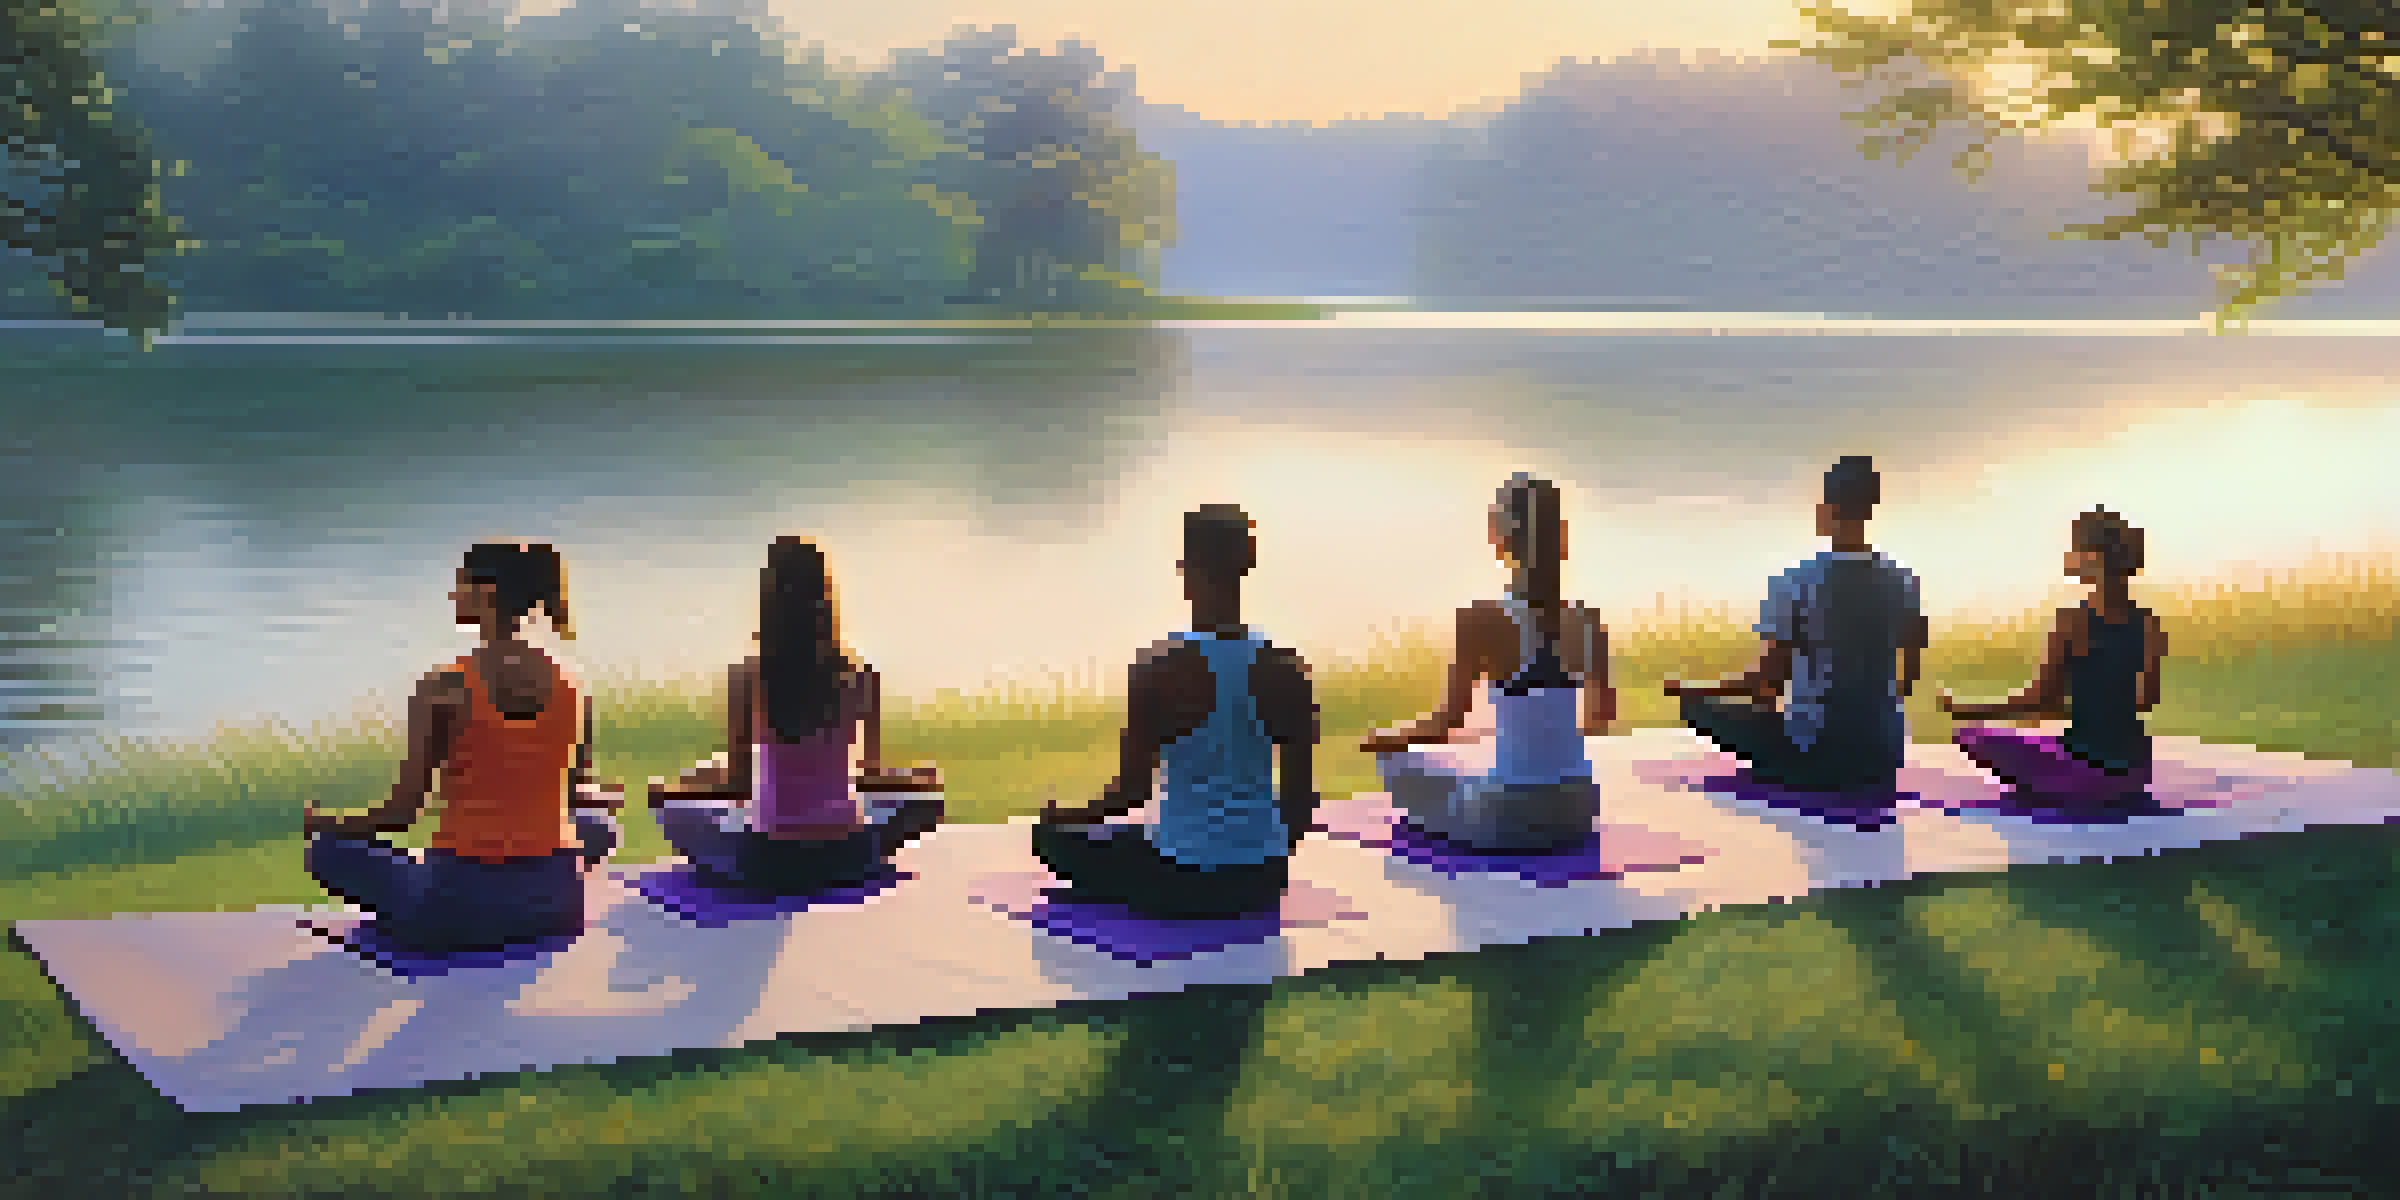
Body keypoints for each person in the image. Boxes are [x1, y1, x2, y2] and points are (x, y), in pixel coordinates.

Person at [303, 542, 622, 953]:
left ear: (485, 593)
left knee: (328, 851)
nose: (454, 596)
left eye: (460, 585)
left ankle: (430, 887)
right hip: (557, 906)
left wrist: (326, 822)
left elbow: (402, 815)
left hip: (456, 910)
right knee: (596, 823)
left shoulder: (445, 685)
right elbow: (576, 792)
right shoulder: (572, 685)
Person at [1032, 504, 1319, 920]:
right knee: (1133, 838)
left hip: (1176, 878)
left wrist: (1064, 816)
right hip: (1261, 879)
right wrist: (1262, 858)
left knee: (1050, 839)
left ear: (1186, 570)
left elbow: (1131, 793)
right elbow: (1300, 802)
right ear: (1247, 565)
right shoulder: (1288, 668)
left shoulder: (1158, 666)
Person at [647, 536, 944, 894]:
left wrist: (674, 791)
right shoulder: (860, 674)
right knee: (928, 802)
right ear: (826, 598)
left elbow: (739, 785)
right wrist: (914, 780)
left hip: (769, 861)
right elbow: (869, 773)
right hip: (848, 856)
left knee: (671, 808)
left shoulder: (749, 676)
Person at [1358, 474, 1615, 850]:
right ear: (1560, 535)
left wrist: (1389, 739)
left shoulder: (1480, 618)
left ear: (1501, 540)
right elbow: (1600, 718)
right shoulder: (1588, 621)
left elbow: (1446, 723)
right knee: (1464, 776)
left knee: (1401, 765)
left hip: (1509, 815)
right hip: (1578, 811)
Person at [1664, 455, 1928, 793]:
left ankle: (1783, 761)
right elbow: (1908, 675)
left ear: (1825, 510)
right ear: (1870, 509)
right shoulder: (1903, 581)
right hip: (1882, 753)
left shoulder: (1794, 580)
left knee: (1698, 709)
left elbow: (1766, 683)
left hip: (1815, 754)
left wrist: (1692, 689)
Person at [1939, 508, 2167, 803]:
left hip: (2086, 773)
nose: (2068, 557)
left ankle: (2055, 786)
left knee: (1970, 735)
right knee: (2046, 741)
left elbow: (2040, 698)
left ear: (2093, 558)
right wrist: (2092, 708)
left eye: (2074, 549)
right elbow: (2145, 700)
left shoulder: (2071, 620)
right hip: (2134, 772)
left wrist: (1967, 710)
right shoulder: (2148, 622)